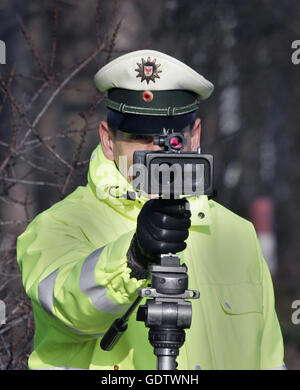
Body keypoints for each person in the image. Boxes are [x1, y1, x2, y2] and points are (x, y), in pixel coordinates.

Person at [16, 49, 285, 370]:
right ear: (108, 140)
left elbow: (269, 361)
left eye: (170, 138)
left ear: (195, 135)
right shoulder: (59, 226)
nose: (156, 151)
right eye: (139, 137)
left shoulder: (237, 234)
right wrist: (133, 258)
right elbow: (68, 309)